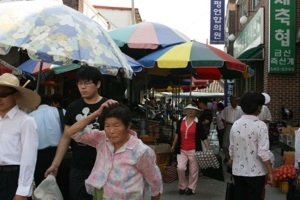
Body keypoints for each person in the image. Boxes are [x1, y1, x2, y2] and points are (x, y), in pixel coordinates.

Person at [67, 102, 163, 200]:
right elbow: (72, 132)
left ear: (128, 126)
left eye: (116, 126)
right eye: (107, 126)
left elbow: (155, 182)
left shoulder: (141, 151)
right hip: (100, 195)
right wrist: (96, 113)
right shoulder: (101, 138)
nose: (111, 131)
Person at [45, 66, 109, 200]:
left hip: (105, 167)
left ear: (98, 84)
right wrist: (55, 165)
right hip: (79, 166)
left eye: (87, 83)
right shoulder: (73, 107)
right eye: (80, 83)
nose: (83, 87)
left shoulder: (108, 106)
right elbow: (66, 137)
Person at [0, 73, 41, 200]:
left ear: (16, 95)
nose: (0, 99)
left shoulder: (26, 121)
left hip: (12, 177)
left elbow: (29, 158)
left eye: (4, 94)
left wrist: (22, 191)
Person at [228, 91, 274, 200]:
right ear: (258, 107)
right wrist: (270, 172)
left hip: (238, 171)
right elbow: (263, 152)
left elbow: (232, 149)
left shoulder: (235, 124)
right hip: (256, 173)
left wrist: (233, 163)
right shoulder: (260, 125)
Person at [171, 103, 210, 196]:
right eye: (188, 109)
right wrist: (173, 145)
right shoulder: (181, 121)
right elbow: (177, 134)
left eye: (192, 110)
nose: (190, 111)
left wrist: (208, 149)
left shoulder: (198, 123)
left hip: (194, 150)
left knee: (193, 170)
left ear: (196, 112)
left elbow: (203, 137)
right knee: (180, 168)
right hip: (182, 149)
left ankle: (191, 188)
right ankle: (182, 186)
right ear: (185, 111)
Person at [29, 95, 63, 187]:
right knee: (61, 185)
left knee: (42, 187)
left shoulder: (30, 117)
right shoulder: (60, 112)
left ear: (36, 105)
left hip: (39, 156)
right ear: (52, 103)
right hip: (60, 153)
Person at [221, 95, 244, 164]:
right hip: (229, 125)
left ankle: (236, 158)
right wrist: (225, 124)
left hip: (238, 126)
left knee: (237, 143)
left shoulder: (241, 109)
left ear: (237, 101)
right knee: (225, 144)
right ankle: (227, 157)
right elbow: (222, 117)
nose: (234, 102)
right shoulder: (226, 109)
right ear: (230, 101)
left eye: (235, 101)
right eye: (232, 101)